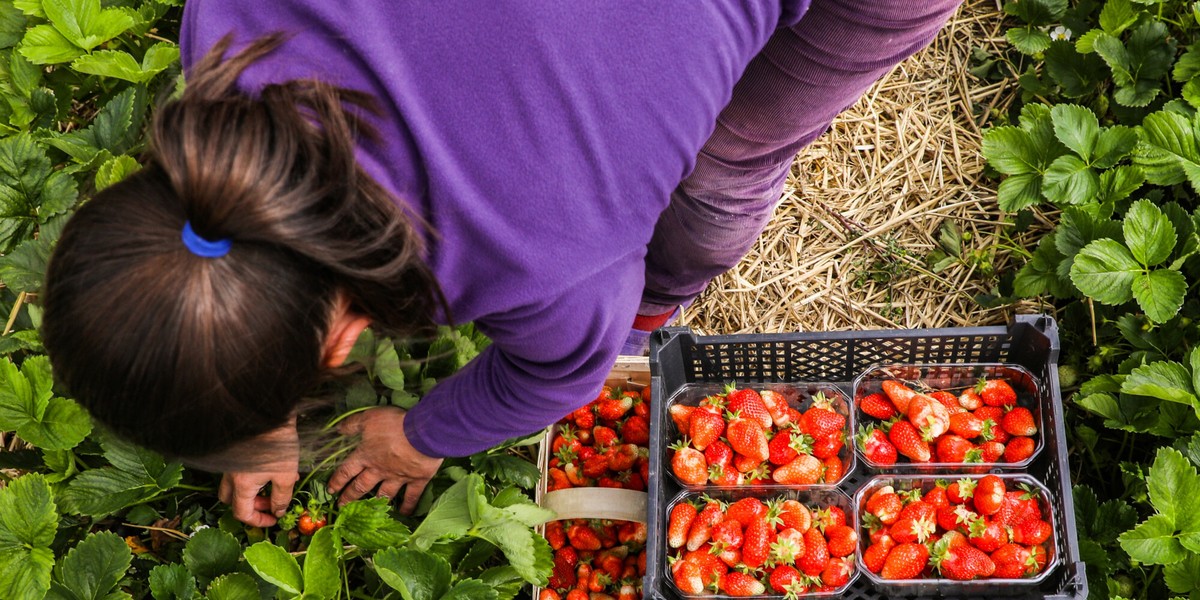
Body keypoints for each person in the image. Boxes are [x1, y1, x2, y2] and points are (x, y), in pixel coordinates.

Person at [41, 0, 963, 525]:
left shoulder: (546, 259)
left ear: (344, 342)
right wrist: (258, 418)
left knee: (725, 169)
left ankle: (662, 307)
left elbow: (560, 375)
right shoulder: (227, 27)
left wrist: (418, 435)